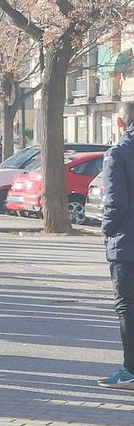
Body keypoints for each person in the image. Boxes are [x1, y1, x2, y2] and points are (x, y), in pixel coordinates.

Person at [97, 103, 134, 388]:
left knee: (128, 309)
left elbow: (115, 203)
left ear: (121, 123)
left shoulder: (117, 154)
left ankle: (130, 369)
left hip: (127, 245)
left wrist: (107, 229)